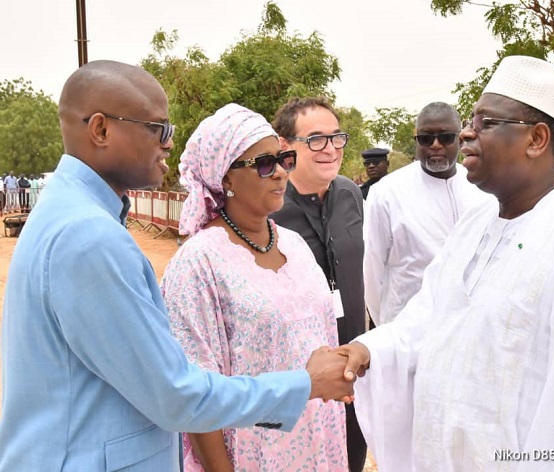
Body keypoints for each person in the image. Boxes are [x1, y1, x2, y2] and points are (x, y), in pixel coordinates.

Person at [0, 60, 353, 471]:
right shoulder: (88, 236)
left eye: (283, 160)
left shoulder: (70, 214)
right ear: (100, 130)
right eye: (159, 128)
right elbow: (175, 396)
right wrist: (304, 386)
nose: (169, 143)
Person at [335, 55, 554, 471]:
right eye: (471, 120)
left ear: (537, 139)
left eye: (486, 123)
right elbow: (430, 316)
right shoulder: (477, 224)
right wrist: (367, 348)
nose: (466, 133)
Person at [162, 103, 348, 471]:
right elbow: (196, 395)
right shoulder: (198, 263)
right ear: (225, 178)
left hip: (321, 445)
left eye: (284, 160)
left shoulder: (295, 246)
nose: (280, 173)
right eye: (264, 164)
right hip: (253, 456)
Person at [270, 96, 368, 472]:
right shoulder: (270, 207)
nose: (330, 149)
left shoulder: (350, 194)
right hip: (301, 373)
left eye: (336, 138)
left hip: (353, 366)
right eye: (315, 139)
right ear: (285, 146)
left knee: (351, 457)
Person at [363, 102, 493, 326]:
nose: (435, 145)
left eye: (445, 137)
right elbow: (372, 274)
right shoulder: (386, 193)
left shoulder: (482, 188)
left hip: (468, 326)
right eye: (425, 138)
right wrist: (389, 327)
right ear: (416, 141)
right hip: (407, 331)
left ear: (460, 139)